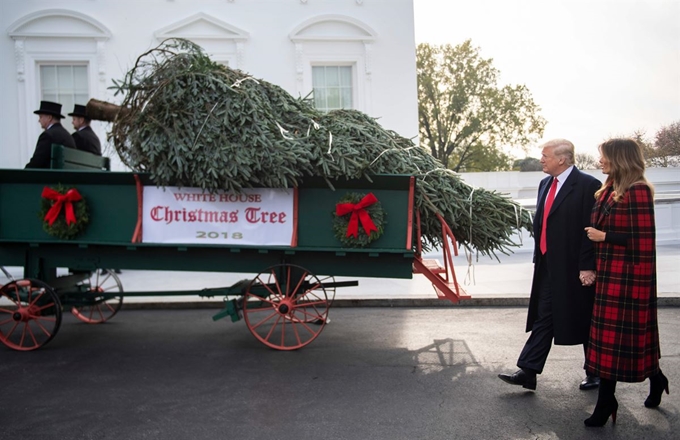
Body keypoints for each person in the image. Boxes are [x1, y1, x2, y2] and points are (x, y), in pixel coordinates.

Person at [498, 139, 601, 391]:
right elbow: (542, 224)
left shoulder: (589, 185)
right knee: (544, 316)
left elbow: (591, 230)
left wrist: (587, 266)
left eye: (545, 156)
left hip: (575, 267)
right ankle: (528, 371)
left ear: (562, 159)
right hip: (547, 265)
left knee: (584, 317)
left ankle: (596, 372)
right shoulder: (545, 184)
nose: (541, 160)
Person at [582, 138, 667, 427]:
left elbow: (644, 242)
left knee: (620, 341)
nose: (600, 162)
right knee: (613, 342)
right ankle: (655, 378)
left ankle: (607, 401)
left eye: (604, 157)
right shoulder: (607, 190)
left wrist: (604, 237)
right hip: (608, 274)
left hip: (630, 277)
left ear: (619, 159)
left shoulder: (638, 190)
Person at [25, 101, 77, 168]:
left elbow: (37, 162)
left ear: (49, 117)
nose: (39, 120)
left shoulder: (48, 136)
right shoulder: (67, 135)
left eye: (41, 117)